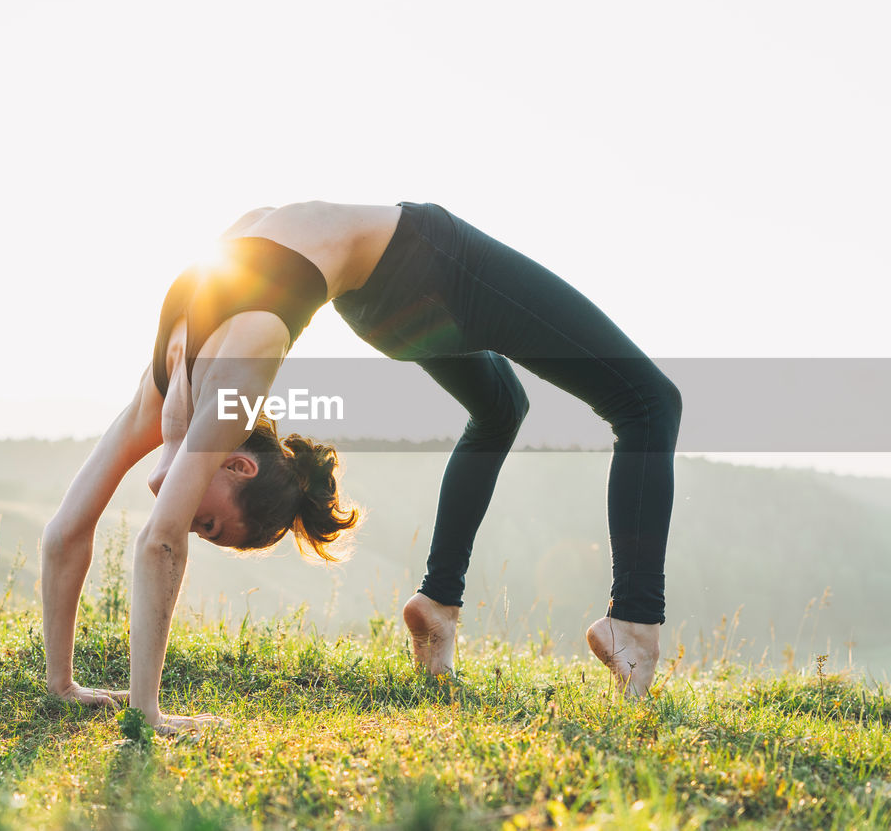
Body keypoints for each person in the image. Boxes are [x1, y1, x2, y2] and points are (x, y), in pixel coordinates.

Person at [41, 200, 682, 732]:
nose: (185, 520)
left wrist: (117, 700)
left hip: (384, 299)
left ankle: (437, 602)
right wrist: (78, 689)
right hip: (413, 268)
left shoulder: (201, 386)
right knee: (649, 403)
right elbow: (101, 533)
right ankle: (633, 622)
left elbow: (117, 538)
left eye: (205, 523)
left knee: (504, 408)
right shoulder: (193, 380)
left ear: (237, 465)